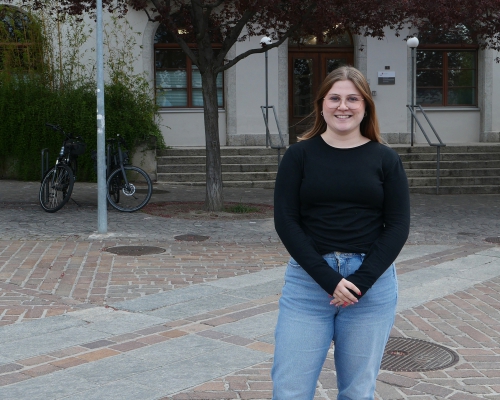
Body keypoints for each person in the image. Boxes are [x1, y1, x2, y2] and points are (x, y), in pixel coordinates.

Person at [271, 66, 410, 400]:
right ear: (321, 105)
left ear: (365, 106)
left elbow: (398, 227)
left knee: (358, 392)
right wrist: (328, 280)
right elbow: (286, 221)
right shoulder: (298, 155)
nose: (342, 106)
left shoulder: (385, 159)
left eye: (352, 98)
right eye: (334, 98)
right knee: (289, 390)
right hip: (308, 284)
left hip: (370, 289)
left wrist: (360, 283)